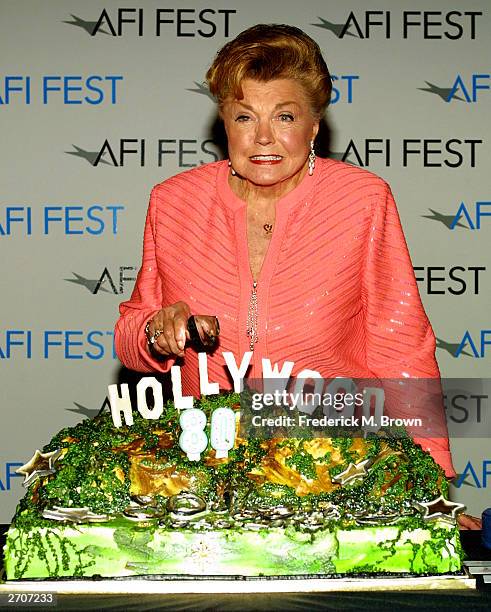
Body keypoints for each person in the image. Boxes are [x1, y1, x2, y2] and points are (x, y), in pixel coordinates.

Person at [114, 24, 480, 529]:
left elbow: (403, 349)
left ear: (314, 125)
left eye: (284, 116)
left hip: (337, 468)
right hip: (206, 473)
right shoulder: (174, 201)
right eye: (245, 117)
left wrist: (430, 487)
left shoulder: (361, 200)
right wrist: (156, 330)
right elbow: (133, 332)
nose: (263, 137)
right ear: (224, 122)